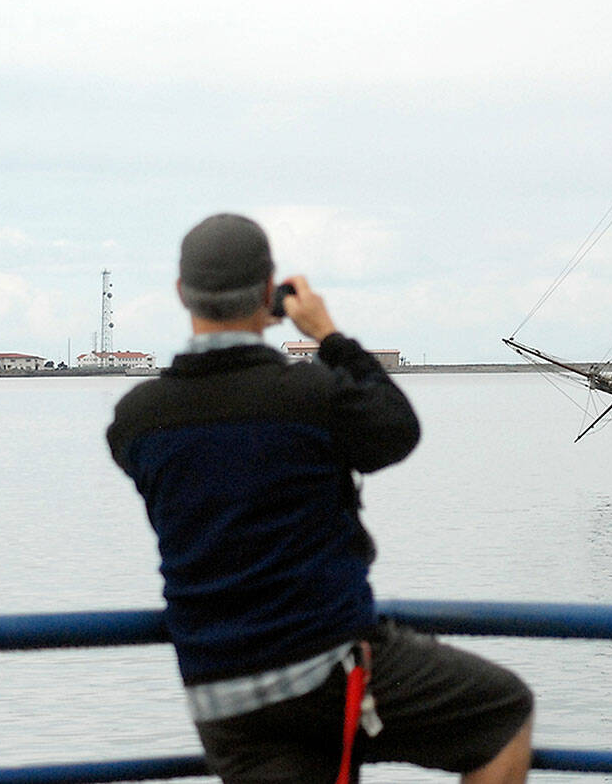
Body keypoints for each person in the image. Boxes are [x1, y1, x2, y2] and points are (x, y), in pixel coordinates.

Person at [107, 214, 533, 784]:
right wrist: (330, 338)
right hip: (326, 669)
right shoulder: (312, 395)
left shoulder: (136, 420)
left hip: (219, 693)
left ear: (182, 293)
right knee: (503, 712)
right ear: (269, 293)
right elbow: (396, 429)